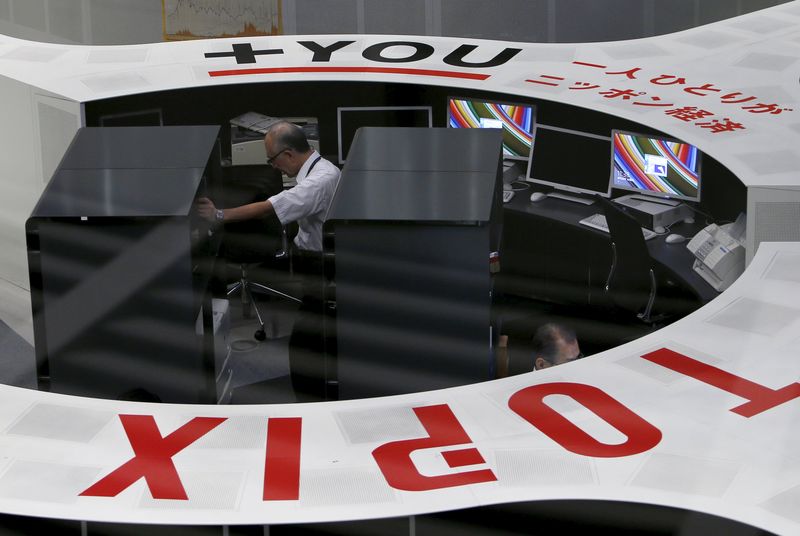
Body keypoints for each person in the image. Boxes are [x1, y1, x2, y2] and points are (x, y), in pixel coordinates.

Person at [197, 120, 340, 401]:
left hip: (320, 268)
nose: (273, 167)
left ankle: (311, 403)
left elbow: (269, 208)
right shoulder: (323, 170)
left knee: (305, 345)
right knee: (310, 340)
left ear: (288, 154)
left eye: (272, 160)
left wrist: (219, 215)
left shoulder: (319, 181)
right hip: (313, 264)